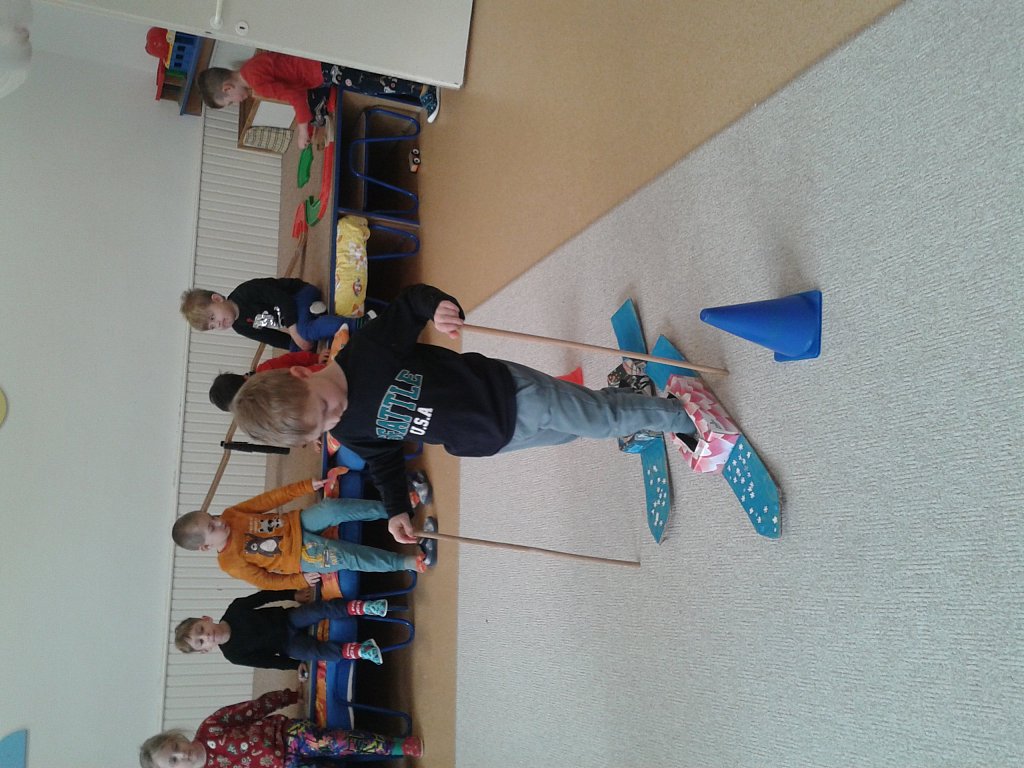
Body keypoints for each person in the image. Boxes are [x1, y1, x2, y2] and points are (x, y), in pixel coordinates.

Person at [230, 284, 698, 545]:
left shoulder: (367, 352)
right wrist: (396, 510)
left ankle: (683, 417)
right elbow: (383, 459)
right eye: (325, 426)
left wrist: (438, 308)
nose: (335, 416)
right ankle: (621, 397)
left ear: (302, 374)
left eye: (324, 407)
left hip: (504, 391)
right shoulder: (347, 426)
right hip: (490, 437)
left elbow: (410, 302)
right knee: (570, 431)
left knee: (596, 422)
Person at [171, 477, 429, 590]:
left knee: (332, 508)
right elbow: (266, 581)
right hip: (299, 555)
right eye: (212, 527)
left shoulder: (231, 515)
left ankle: (399, 506)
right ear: (205, 547)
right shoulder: (230, 563)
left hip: (296, 523)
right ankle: (405, 562)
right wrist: (299, 580)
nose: (219, 522)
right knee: (347, 556)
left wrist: (304, 486)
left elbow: (268, 499)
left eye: (213, 517)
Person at [198, 52, 440, 150]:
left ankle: (423, 90)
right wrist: (311, 124)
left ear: (227, 88)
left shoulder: (256, 83)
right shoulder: (251, 66)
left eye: (231, 102)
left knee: (371, 83)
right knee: (364, 80)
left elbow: (295, 96)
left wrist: (302, 131)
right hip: (316, 68)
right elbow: (298, 90)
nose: (238, 102)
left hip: (322, 70)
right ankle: (418, 84)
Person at [138, 688, 422, 768]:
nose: (182, 756)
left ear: (178, 737)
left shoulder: (210, 727)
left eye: (176, 748)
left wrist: (287, 697)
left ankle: (397, 745)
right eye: (173, 762)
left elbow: (252, 709)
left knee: (334, 742)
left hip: (287, 737)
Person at [174, 589, 389, 667]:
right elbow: (267, 661)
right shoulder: (233, 655)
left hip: (288, 619)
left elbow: (264, 596)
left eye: (201, 629)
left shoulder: (235, 609)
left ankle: (364, 607)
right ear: (205, 650)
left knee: (318, 609)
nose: (206, 636)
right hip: (286, 645)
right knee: (315, 652)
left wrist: (292, 594)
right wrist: (295, 666)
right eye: (201, 642)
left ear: (206, 619)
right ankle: (361, 650)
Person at [180, 277, 361, 351]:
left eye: (213, 317)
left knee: (304, 331)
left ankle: (358, 324)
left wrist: (295, 332)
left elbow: (283, 299)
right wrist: (296, 348)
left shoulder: (245, 292)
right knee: (299, 350)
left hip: (299, 295)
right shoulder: (240, 327)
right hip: (294, 316)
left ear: (217, 299)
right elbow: (272, 338)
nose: (218, 324)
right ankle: (316, 314)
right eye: (212, 327)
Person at [210, 350, 325, 411]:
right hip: (316, 407)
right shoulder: (265, 411)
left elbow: (292, 359)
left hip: (320, 377)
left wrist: (316, 357)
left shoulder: (267, 369)